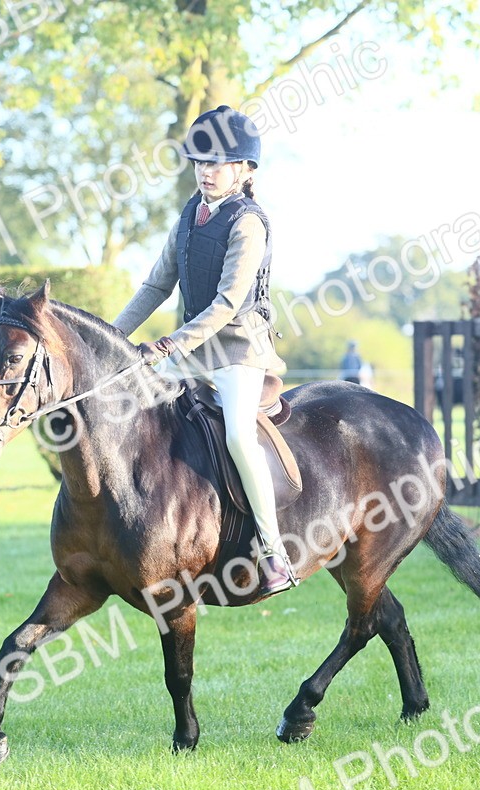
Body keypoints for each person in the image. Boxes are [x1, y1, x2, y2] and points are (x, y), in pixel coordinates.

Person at [112, 105, 295, 598]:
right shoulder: (189, 216)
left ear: (245, 170)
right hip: (192, 352)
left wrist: (170, 343)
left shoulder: (249, 223)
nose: (206, 171)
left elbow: (229, 302)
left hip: (239, 351)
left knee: (238, 435)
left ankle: (274, 553)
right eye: (199, 162)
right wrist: (109, 338)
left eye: (217, 163)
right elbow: (155, 286)